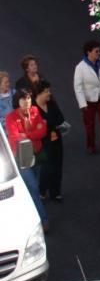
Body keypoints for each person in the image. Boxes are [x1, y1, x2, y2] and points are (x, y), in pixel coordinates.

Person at [4, 88, 49, 230]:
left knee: (33, 186)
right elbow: (14, 137)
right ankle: (43, 220)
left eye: (29, 98)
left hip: (37, 154)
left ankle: (29, 208)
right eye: (23, 99)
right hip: (23, 157)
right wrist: (33, 133)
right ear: (17, 101)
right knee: (33, 187)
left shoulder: (35, 110)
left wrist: (26, 135)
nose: (27, 101)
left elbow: (43, 131)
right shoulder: (10, 117)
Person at [73, 40, 100, 154]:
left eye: (99, 51)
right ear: (89, 52)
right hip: (89, 100)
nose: (99, 53)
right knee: (89, 124)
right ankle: (91, 146)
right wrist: (82, 103)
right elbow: (78, 87)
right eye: (96, 51)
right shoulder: (80, 67)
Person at [33, 80, 65, 201]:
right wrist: (49, 123)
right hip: (42, 142)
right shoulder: (33, 108)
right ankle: (42, 190)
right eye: (46, 91)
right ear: (39, 93)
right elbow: (35, 125)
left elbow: (60, 119)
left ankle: (55, 192)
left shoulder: (51, 103)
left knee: (57, 165)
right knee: (46, 167)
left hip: (56, 139)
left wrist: (46, 123)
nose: (49, 93)